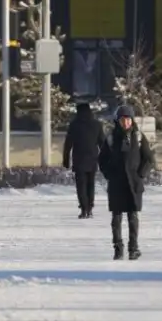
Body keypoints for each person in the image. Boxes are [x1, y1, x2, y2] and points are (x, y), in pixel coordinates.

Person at [99, 105, 153, 260]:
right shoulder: (111, 138)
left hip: (134, 184)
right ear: (118, 121)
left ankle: (133, 248)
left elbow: (149, 159)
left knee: (133, 216)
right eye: (123, 120)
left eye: (128, 119)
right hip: (116, 183)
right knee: (116, 217)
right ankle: (118, 248)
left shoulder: (139, 137)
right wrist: (109, 174)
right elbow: (102, 160)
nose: (126, 123)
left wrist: (140, 174)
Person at [63, 101, 105, 218]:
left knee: (81, 185)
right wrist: (107, 158)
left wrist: (66, 159)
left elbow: (68, 143)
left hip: (79, 159)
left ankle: (83, 209)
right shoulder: (97, 124)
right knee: (90, 184)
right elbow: (102, 143)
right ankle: (90, 208)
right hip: (92, 159)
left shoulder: (74, 125)